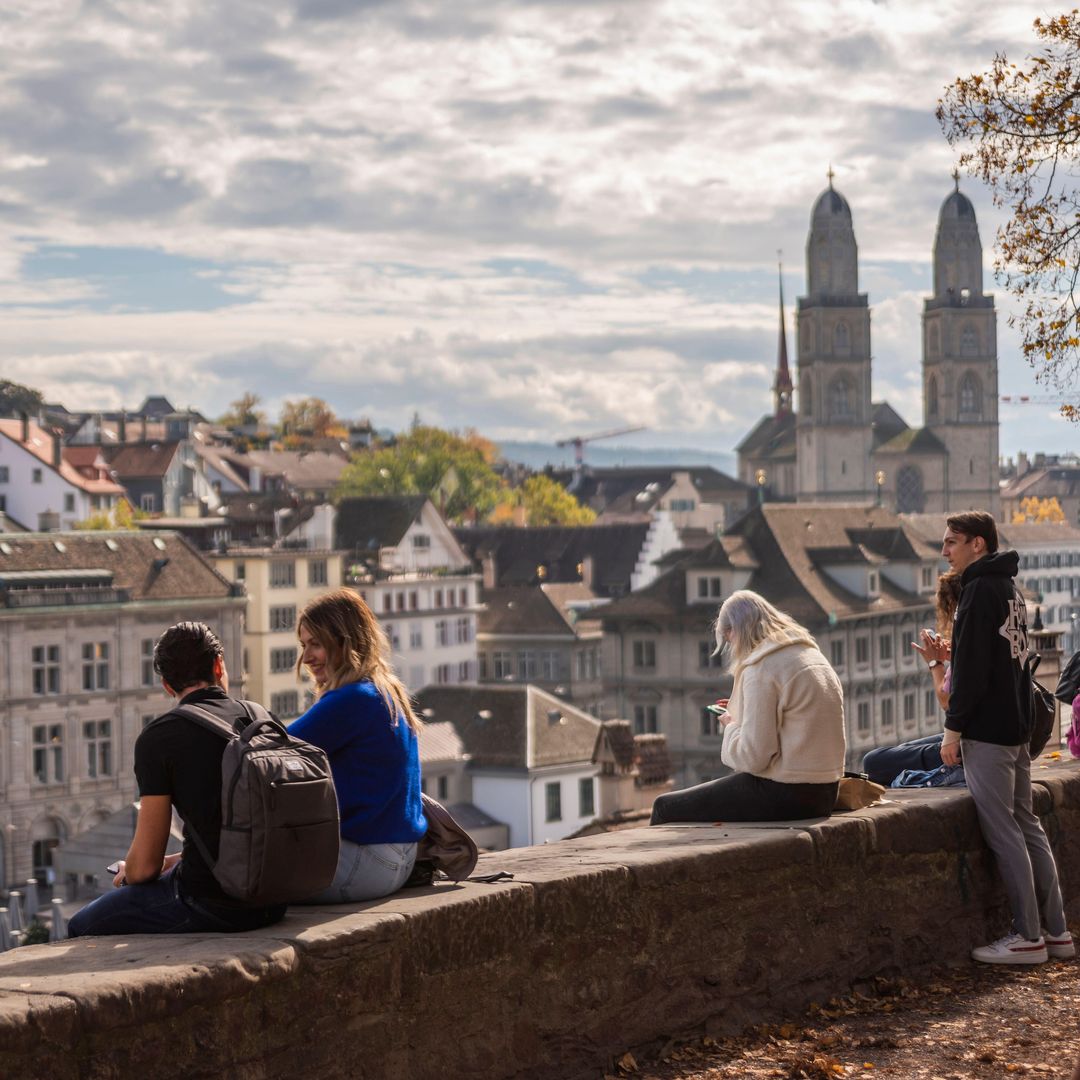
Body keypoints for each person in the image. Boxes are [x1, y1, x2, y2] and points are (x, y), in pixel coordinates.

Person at [68, 623, 286, 936]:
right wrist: (181, 859)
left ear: (167, 686)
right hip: (276, 897)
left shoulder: (159, 738)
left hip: (213, 903)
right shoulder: (261, 717)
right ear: (218, 665)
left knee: (81, 925)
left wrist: (129, 873)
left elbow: (144, 867)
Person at [941, 510, 1073, 965]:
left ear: (978, 543)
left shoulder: (979, 592)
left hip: (989, 732)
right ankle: (1056, 931)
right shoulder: (1008, 588)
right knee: (1027, 824)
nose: (945, 551)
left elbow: (972, 672)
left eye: (952, 541)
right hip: (1015, 727)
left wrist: (952, 730)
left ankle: (1027, 936)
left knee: (1004, 831)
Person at [650, 590, 845, 825]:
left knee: (664, 807)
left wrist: (730, 725)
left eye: (727, 636)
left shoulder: (761, 668)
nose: (730, 644)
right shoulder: (810, 654)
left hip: (789, 792)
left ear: (735, 630)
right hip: (827, 791)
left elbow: (754, 757)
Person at [289, 589, 426, 902]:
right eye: (304, 645)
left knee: (241, 876)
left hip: (366, 862)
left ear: (345, 642)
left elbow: (267, 750)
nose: (306, 658)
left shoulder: (353, 700)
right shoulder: (385, 693)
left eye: (316, 644)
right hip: (398, 859)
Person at [861, 571, 961, 786]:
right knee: (901, 750)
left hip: (967, 745)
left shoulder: (967, 630)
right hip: (976, 739)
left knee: (873, 761)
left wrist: (936, 664)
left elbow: (948, 701)